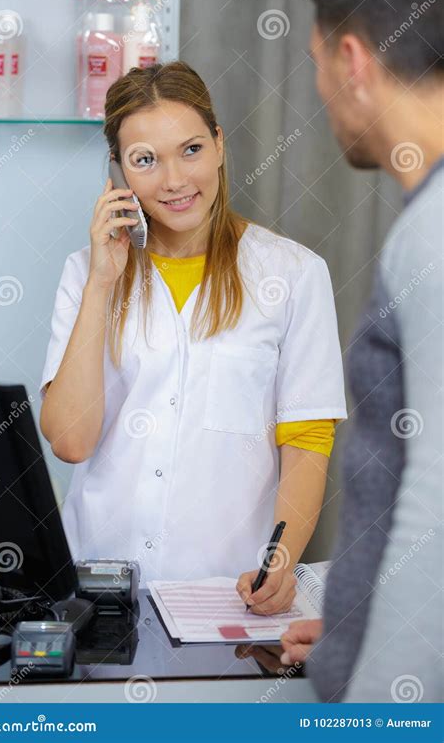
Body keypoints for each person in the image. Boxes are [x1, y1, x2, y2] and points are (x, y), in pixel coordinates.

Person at [39, 61, 347, 601]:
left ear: (220, 144)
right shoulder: (84, 275)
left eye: (191, 149)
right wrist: (99, 286)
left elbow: (306, 442)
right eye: (145, 161)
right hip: (95, 586)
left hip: (223, 589)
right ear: (118, 172)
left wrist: (279, 561)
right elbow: (70, 441)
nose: (175, 180)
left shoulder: (293, 273)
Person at [281, 0, 443, 702]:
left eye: (316, 63)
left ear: (352, 62)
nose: (319, 92)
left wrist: (382, 702)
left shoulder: (432, 233)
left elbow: (435, 504)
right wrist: (359, 622)